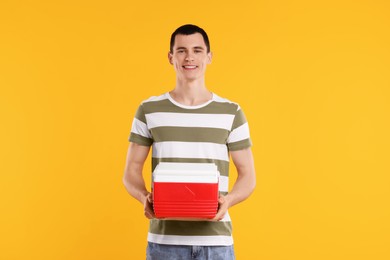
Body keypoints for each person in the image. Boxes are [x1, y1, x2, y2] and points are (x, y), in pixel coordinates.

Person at [123, 24, 256, 260]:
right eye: (182, 50)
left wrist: (229, 200)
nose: (189, 57)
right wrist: (144, 196)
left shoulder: (232, 112)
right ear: (171, 57)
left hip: (216, 244)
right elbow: (131, 170)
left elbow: (248, 176)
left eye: (197, 50)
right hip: (164, 244)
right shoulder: (149, 110)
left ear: (209, 56)